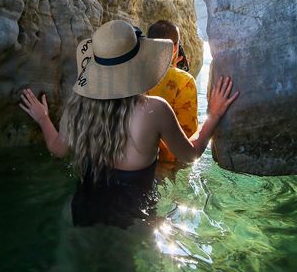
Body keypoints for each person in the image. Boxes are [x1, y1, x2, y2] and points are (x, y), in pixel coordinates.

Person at [19, 19, 238, 228]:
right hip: (132, 221)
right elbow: (190, 154)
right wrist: (214, 115)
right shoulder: (154, 110)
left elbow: (57, 149)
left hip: (78, 211)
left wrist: (43, 118)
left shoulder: (77, 107)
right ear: (141, 64)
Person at [144, 20, 197, 164]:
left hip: (132, 162)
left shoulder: (133, 73)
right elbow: (188, 137)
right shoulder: (184, 81)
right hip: (167, 169)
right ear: (174, 48)